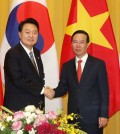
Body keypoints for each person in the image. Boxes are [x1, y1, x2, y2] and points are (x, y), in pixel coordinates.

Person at [44, 30, 109, 134]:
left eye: (81, 42)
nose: (78, 45)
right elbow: (63, 87)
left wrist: (104, 114)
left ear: (87, 44)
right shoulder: (67, 66)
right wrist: (53, 92)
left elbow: (104, 92)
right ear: (71, 44)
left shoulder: (98, 64)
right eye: (75, 42)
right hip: (73, 118)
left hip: (93, 118)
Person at [4, 18, 45, 111]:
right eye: (27, 32)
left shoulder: (37, 52)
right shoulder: (12, 54)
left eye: (35, 32)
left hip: (36, 107)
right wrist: (42, 90)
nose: (31, 35)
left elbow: (37, 78)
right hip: (18, 109)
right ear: (19, 34)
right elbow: (18, 80)